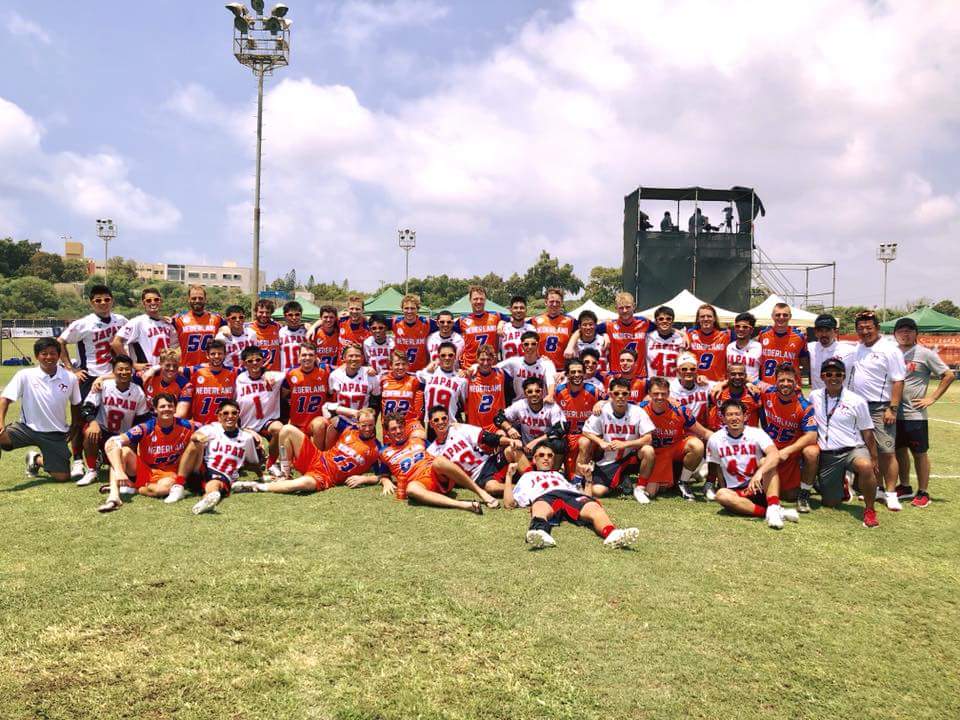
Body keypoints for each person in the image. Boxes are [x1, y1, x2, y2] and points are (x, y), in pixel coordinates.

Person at [503, 444, 639, 550]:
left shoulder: (559, 475)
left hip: (569, 495)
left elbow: (586, 497)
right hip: (546, 496)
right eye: (541, 455)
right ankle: (539, 532)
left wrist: (588, 479)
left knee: (593, 505)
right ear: (534, 459)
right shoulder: (528, 476)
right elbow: (509, 504)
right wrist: (509, 476)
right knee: (539, 505)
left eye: (550, 455)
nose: (546, 458)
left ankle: (612, 533)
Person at [57, 283, 128, 478]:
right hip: (90, 376)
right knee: (80, 420)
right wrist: (71, 369)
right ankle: (78, 460)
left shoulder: (121, 320)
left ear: (112, 300)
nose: (103, 303)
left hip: (113, 376)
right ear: (91, 303)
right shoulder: (83, 323)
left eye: (106, 299)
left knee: (112, 418)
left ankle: (104, 455)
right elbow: (60, 341)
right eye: (98, 300)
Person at [233, 407, 380, 495]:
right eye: (363, 425)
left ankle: (256, 487)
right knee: (287, 429)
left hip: (325, 477)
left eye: (370, 425)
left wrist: (364, 479)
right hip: (317, 457)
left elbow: (386, 475)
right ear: (357, 423)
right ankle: (285, 473)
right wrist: (355, 412)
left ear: (375, 424)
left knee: (301, 485)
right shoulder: (349, 429)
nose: (367, 429)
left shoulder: (377, 448)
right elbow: (328, 408)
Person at [370, 413, 499, 512]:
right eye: (393, 429)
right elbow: (383, 474)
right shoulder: (384, 452)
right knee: (411, 489)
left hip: (436, 474)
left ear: (405, 427)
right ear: (387, 432)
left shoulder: (417, 439)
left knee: (439, 461)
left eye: (400, 427)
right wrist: (385, 481)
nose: (398, 431)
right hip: (419, 483)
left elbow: (440, 443)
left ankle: (482, 493)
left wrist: (452, 427)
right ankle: (463, 505)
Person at [845, 310, 906, 511]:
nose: (865, 332)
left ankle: (891, 493)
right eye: (860, 328)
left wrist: (892, 409)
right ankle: (877, 488)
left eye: (868, 328)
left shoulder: (890, 349)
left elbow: (898, 380)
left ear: (877, 328)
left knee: (887, 451)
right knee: (869, 451)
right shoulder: (858, 348)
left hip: (880, 406)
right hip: (859, 407)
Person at [810, 358, 880, 528]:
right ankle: (842, 484)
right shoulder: (814, 396)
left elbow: (867, 431)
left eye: (838, 374)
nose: (833, 378)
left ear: (844, 376)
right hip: (829, 455)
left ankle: (870, 509)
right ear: (822, 376)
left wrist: (874, 457)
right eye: (828, 374)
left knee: (865, 466)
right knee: (830, 503)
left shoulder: (856, 400)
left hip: (853, 449)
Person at [706, 399, 798, 529]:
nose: (734, 418)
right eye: (730, 415)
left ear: (745, 416)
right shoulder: (715, 439)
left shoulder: (756, 433)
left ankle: (773, 506)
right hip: (737, 491)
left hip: (758, 486)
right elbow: (718, 467)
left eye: (737, 414)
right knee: (721, 494)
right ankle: (772, 512)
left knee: (766, 461)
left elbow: (774, 454)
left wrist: (759, 473)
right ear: (723, 418)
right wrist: (723, 488)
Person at [0, 337, 82, 482]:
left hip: (55, 432)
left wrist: (75, 425)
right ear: (37, 356)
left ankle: (35, 459)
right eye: (44, 353)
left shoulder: (70, 378)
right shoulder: (25, 375)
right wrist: (0, 422)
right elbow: (5, 399)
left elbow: (76, 404)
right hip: (26, 428)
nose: (49, 357)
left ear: (58, 355)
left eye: (53, 353)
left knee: (62, 477)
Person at [893, 317, 954, 507]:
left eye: (909, 330)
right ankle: (905, 486)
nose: (905, 334)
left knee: (919, 453)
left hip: (915, 414)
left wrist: (932, 398)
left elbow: (948, 375)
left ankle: (923, 491)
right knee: (899, 450)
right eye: (901, 330)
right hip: (894, 413)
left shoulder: (925, 354)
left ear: (916, 334)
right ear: (895, 334)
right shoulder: (891, 353)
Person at [97, 392, 195, 511]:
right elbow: (112, 442)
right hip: (145, 469)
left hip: (168, 473)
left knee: (162, 490)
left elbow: (206, 431)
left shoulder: (187, 426)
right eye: (162, 406)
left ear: (175, 409)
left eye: (170, 406)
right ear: (155, 410)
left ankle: (133, 488)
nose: (167, 409)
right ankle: (114, 497)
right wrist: (119, 471)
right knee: (123, 451)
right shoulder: (146, 428)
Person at [76, 354, 150, 486]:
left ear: (132, 371)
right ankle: (92, 470)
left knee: (124, 466)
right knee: (89, 431)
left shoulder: (138, 392)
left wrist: (132, 438)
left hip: (123, 436)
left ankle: (104, 459)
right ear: (113, 371)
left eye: (127, 369)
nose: (124, 372)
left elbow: (142, 419)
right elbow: (86, 408)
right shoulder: (103, 386)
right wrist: (93, 422)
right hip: (103, 430)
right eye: (120, 369)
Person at [180, 399, 265, 515]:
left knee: (215, 483)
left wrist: (262, 476)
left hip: (224, 476)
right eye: (225, 413)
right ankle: (178, 484)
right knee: (194, 443)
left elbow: (252, 463)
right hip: (202, 469)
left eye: (234, 413)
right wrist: (199, 437)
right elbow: (195, 436)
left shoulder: (247, 438)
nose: (230, 416)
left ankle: (206, 500)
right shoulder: (213, 428)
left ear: (238, 415)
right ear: (219, 416)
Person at [635, 377, 712, 502]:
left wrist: (725, 440)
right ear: (649, 393)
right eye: (656, 393)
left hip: (675, 449)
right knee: (652, 492)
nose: (660, 397)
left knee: (696, 445)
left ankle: (683, 482)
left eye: (663, 394)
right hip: (655, 454)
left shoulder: (680, 410)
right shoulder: (640, 410)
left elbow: (703, 432)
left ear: (669, 394)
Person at [579, 377, 655, 499]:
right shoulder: (603, 410)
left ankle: (640, 488)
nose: (620, 397)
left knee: (648, 450)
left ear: (629, 395)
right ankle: (621, 480)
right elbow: (586, 431)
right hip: (610, 459)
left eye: (624, 393)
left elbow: (648, 438)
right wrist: (601, 442)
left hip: (631, 457)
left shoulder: (638, 411)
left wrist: (625, 444)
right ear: (610, 394)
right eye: (616, 393)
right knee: (597, 491)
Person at [758, 363, 819, 509]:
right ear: (775, 381)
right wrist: (722, 384)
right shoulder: (767, 392)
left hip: (790, 453)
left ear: (796, 381)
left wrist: (786, 451)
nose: (785, 384)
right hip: (772, 449)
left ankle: (805, 492)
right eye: (781, 380)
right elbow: (748, 379)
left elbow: (812, 436)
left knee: (812, 452)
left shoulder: (804, 406)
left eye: (790, 380)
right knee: (768, 490)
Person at [426, 405, 520, 498]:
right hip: (477, 476)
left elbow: (487, 437)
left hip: (489, 461)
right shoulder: (432, 451)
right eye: (436, 420)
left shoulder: (458, 429)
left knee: (512, 450)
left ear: (448, 419)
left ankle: (528, 475)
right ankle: (523, 489)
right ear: (430, 424)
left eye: (444, 418)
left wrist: (510, 441)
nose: (441, 422)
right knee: (492, 488)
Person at [235, 345, 285, 471]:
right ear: (244, 363)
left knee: (279, 429)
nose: (254, 363)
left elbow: (293, 373)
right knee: (253, 460)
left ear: (263, 361)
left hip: (266, 422)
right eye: (250, 361)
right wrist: (242, 429)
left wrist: (267, 372)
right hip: (246, 425)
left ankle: (272, 463)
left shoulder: (273, 377)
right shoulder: (239, 379)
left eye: (258, 360)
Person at [555, 358, 605, 482]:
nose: (577, 375)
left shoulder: (593, 390)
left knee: (584, 442)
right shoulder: (559, 391)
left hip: (586, 436)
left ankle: (577, 482)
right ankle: (553, 476)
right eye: (573, 372)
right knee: (556, 446)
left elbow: (612, 399)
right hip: (566, 436)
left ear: (584, 373)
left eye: (579, 371)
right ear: (567, 374)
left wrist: (602, 402)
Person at [499, 377, 567, 467]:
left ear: (542, 392)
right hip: (525, 448)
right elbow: (499, 418)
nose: (534, 394)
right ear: (525, 393)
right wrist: (509, 428)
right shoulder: (520, 405)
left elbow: (561, 429)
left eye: (537, 391)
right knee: (501, 433)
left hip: (546, 449)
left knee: (560, 444)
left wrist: (535, 442)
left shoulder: (552, 407)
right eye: (530, 392)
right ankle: (502, 469)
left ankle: (553, 472)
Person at [112, 287, 178, 369]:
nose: (153, 302)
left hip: (164, 370)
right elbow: (116, 343)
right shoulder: (137, 322)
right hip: (146, 372)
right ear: (144, 303)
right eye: (149, 300)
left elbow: (175, 347)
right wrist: (131, 364)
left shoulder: (167, 323)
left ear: (160, 301)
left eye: (156, 299)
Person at [282, 342, 331, 449]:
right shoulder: (291, 374)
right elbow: (283, 396)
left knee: (319, 425)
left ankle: (317, 456)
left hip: (316, 424)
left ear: (316, 357)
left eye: (311, 355)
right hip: (297, 423)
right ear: (299, 357)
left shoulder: (325, 372)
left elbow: (344, 368)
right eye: (304, 355)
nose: (307, 358)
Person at [183, 339, 237, 426]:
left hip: (224, 425)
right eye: (213, 354)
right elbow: (174, 370)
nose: (216, 356)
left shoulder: (233, 372)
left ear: (225, 355)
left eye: (220, 353)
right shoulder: (195, 371)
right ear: (207, 355)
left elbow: (253, 370)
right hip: (200, 425)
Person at [497, 331, 558, 403]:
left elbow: (551, 383)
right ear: (522, 346)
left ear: (537, 345)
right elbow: (492, 368)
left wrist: (550, 395)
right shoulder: (514, 362)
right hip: (519, 404)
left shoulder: (547, 364)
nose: (530, 347)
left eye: (533, 344)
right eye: (526, 344)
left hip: (539, 403)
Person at [379, 350, 426, 440]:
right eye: (397, 364)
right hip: (390, 425)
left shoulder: (414, 380)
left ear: (408, 365)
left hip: (409, 422)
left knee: (420, 436)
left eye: (403, 364)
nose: (400, 367)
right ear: (390, 365)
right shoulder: (382, 379)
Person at [172, 285, 224, 367]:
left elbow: (230, 329)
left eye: (200, 298)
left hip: (209, 368)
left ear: (205, 299)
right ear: (189, 299)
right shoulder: (178, 319)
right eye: (194, 298)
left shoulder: (216, 318)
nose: (197, 300)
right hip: (187, 369)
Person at [757, 303, 807, 385]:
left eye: (785, 315)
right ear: (772, 316)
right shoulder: (763, 335)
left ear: (790, 316)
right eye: (778, 315)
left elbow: (805, 362)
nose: (781, 317)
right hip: (767, 386)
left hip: (790, 387)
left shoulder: (799, 337)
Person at [417, 341, 468, 423]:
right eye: (443, 355)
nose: (447, 358)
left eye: (450, 355)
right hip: (431, 424)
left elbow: (466, 406)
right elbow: (414, 376)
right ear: (438, 357)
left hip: (450, 424)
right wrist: (427, 369)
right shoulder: (428, 373)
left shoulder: (461, 380)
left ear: (455, 357)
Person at [456, 285, 504, 367]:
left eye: (481, 299)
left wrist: (501, 323)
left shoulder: (496, 316)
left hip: (490, 367)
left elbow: (515, 320)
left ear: (485, 300)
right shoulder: (462, 320)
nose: (478, 301)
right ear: (470, 300)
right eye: (475, 299)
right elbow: (443, 327)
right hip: (469, 368)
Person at [465, 344, 507, 431]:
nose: (485, 363)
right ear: (477, 359)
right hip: (475, 426)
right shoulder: (470, 375)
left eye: (489, 359)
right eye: (482, 359)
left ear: (493, 359)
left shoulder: (500, 373)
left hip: (496, 425)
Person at [329, 345, 381, 413]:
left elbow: (376, 399)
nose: (354, 359)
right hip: (341, 417)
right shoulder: (335, 375)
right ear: (344, 358)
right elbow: (330, 397)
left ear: (362, 358)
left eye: (357, 356)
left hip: (362, 417)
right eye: (350, 356)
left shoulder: (371, 375)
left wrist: (369, 415)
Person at [531, 287, 575, 368]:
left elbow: (582, 329)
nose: (554, 304)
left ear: (562, 303)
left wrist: (570, 345)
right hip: (541, 367)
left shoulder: (570, 321)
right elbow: (519, 324)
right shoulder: (536, 320)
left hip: (562, 368)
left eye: (557, 302)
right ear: (546, 302)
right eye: (551, 301)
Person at [807, 313, 854, 391]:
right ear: (815, 332)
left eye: (828, 330)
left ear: (835, 332)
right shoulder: (810, 348)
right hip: (818, 397)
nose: (824, 334)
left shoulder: (849, 351)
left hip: (842, 397)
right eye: (820, 331)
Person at [140, 348, 191, 417]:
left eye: (175, 366)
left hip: (171, 420)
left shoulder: (185, 385)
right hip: (147, 417)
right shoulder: (150, 375)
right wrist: (151, 371)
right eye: (167, 365)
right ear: (160, 364)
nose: (171, 368)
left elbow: (180, 415)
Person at [686, 304, 730, 382]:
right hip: (697, 383)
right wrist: (682, 334)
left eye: (709, 316)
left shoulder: (725, 336)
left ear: (714, 319)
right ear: (698, 319)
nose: (706, 319)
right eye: (702, 316)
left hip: (718, 384)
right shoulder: (690, 335)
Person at [669, 353, 714, 425]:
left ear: (696, 371)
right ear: (678, 371)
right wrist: (666, 398)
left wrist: (721, 385)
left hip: (702, 427)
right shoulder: (670, 388)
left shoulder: (703, 384)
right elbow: (651, 396)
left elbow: (726, 384)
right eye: (684, 369)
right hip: (680, 428)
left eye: (692, 369)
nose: (688, 371)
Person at [392, 294, 434, 371]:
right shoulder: (395, 322)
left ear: (418, 309)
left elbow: (447, 325)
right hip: (401, 371)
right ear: (402, 309)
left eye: (412, 308)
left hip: (421, 370)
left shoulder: (426, 322)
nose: (409, 311)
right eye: (406, 308)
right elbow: (375, 323)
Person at [645, 306, 686, 378]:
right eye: (661, 319)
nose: (664, 321)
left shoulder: (680, 339)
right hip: (654, 382)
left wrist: (684, 335)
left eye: (668, 319)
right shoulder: (647, 338)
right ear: (656, 321)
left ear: (673, 321)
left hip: (674, 382)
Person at [215, 305, 259, 370]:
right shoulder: (221, 337)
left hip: (247, 371)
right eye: (234, 318)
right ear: (227, 319)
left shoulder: (251, 334)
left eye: (241, 317)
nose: (238, 320)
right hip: (228, 371)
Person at [725, 312, 762, 383]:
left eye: (745, 327)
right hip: (733, 386)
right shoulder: (729, 347)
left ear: (751, 330)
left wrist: (756, 383)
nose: (741, 329)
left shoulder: (759, 347)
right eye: (737, 326)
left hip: (752, 387)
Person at [248, 299, 281, 371]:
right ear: (255, 312)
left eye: (267, 312)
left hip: (275, 373)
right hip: (256, 373)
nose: (264, 315)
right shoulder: (248, 328)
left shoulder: (277, 327)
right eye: (261, 312)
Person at [498, 295, 533, 360]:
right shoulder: (503, 329)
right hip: (507, 366)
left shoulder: (532, 329)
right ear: (510, 310)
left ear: (526, 310)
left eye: (522, 308)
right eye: (515, 308)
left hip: (527, 366)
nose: (518, 310)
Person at [305, 304, 340, 368]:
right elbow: (311, 353)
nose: (328, 320)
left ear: (335, 318)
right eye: (325, 317)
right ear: (321, 318)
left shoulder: (339, 331)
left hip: (336, 370)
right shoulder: (314, 333)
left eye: (331, 317)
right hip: (319, 369)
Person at [278, 301, 309, 372]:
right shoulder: (280, 332)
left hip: (303, 374)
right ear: (285, 316)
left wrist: (312, 327)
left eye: (297, 314)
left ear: (301, 315)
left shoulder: (307, 331)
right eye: (290, 315)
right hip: (285, 374)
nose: (294, 318)